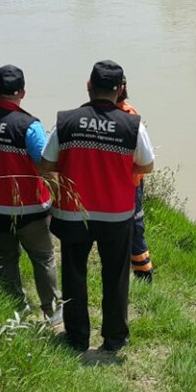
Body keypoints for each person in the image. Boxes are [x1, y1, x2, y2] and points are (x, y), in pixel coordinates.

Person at [43, 60, 155, 354]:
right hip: (117, 215)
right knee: (116, 277)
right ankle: (114, 339)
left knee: (74, 274)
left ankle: (77, 338)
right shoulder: (132, 125)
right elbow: (147, 165)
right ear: (119, 90)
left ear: (89, 86)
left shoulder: (66, 121)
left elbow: (46, 163)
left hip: (73, 212)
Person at [0, 65, 60, 323]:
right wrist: (60, 197)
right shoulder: (29, 126)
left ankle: (14, 310)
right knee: (43, 258)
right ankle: (52, 313)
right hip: (29, 208)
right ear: (23, 93)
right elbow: (47, 166)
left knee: (5, 258)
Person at [116, 78, 154, 283]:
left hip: (129, 184)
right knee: (130, 227)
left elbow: (146, 163)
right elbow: (146, 162)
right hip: (128, 182)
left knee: (134, 228)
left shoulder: (129, 117)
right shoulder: (128, 116)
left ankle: (143, 276)